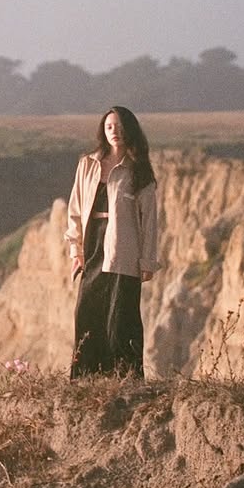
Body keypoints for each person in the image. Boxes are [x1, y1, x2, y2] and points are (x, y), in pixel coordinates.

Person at [65, 106, 159, 379]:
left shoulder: (138, 170)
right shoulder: (87, 164)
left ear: (130, 130)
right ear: (102, 131)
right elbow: (75, 209)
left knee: (121, 317)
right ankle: (85, 378)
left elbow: (149, 220)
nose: (114, 132)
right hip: (93, 243)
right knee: (87, 312)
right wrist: (76, 251)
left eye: (119, 126)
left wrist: (148, 261)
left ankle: (125, 378)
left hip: (123, 249)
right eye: (109, 127)